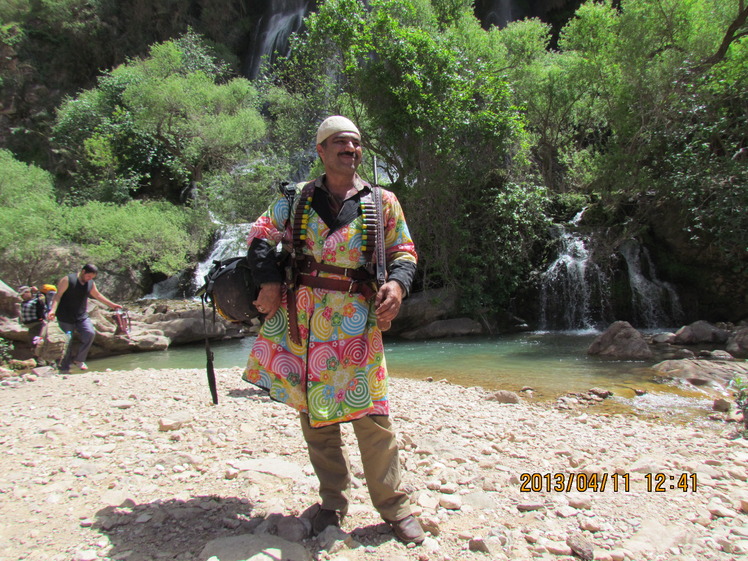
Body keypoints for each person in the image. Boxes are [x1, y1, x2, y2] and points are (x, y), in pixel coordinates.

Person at [242, 116, 424, 544]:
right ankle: (331, 503)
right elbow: (260, 236)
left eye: (356, 143)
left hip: (358, 323)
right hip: (305, 320)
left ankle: (394, 507)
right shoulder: (297, 199)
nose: (351, 149)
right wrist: (268, 281)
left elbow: (405, 251)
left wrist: (396, 286)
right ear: (321, 151)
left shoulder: (383, 202)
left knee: (373, 417)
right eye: (340, 143)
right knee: (316, 419)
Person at [47, 264, 122, 373]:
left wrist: (112, 305)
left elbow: (97, 295)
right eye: (89, 276)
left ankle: (79, 359)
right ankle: (64, 368)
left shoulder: (90, 283)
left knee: (90, 333)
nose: (90, 279)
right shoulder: (68, 280)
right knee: (67, 341)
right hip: (65, 316)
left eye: (92, 277)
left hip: (81, 315)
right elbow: (58, 295)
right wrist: (53, 310)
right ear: (83, 272)